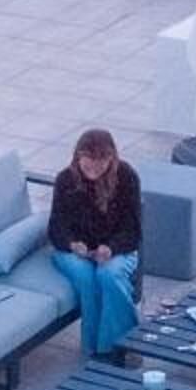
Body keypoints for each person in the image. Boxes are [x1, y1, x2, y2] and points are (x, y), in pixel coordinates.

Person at [49, 128, 141, 358]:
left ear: (112, 158)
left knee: (109, 276)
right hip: (72, 251)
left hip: (115, 248)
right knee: (87, 279)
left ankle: (110, 348)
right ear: (78, 157)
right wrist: (73, 245)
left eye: (102, 161)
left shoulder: (127, 177)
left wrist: (111, 248)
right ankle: (95, 348)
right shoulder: (65, 180)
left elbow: (133, 229)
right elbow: (56, 228)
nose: (95, 166)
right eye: (88, 160)